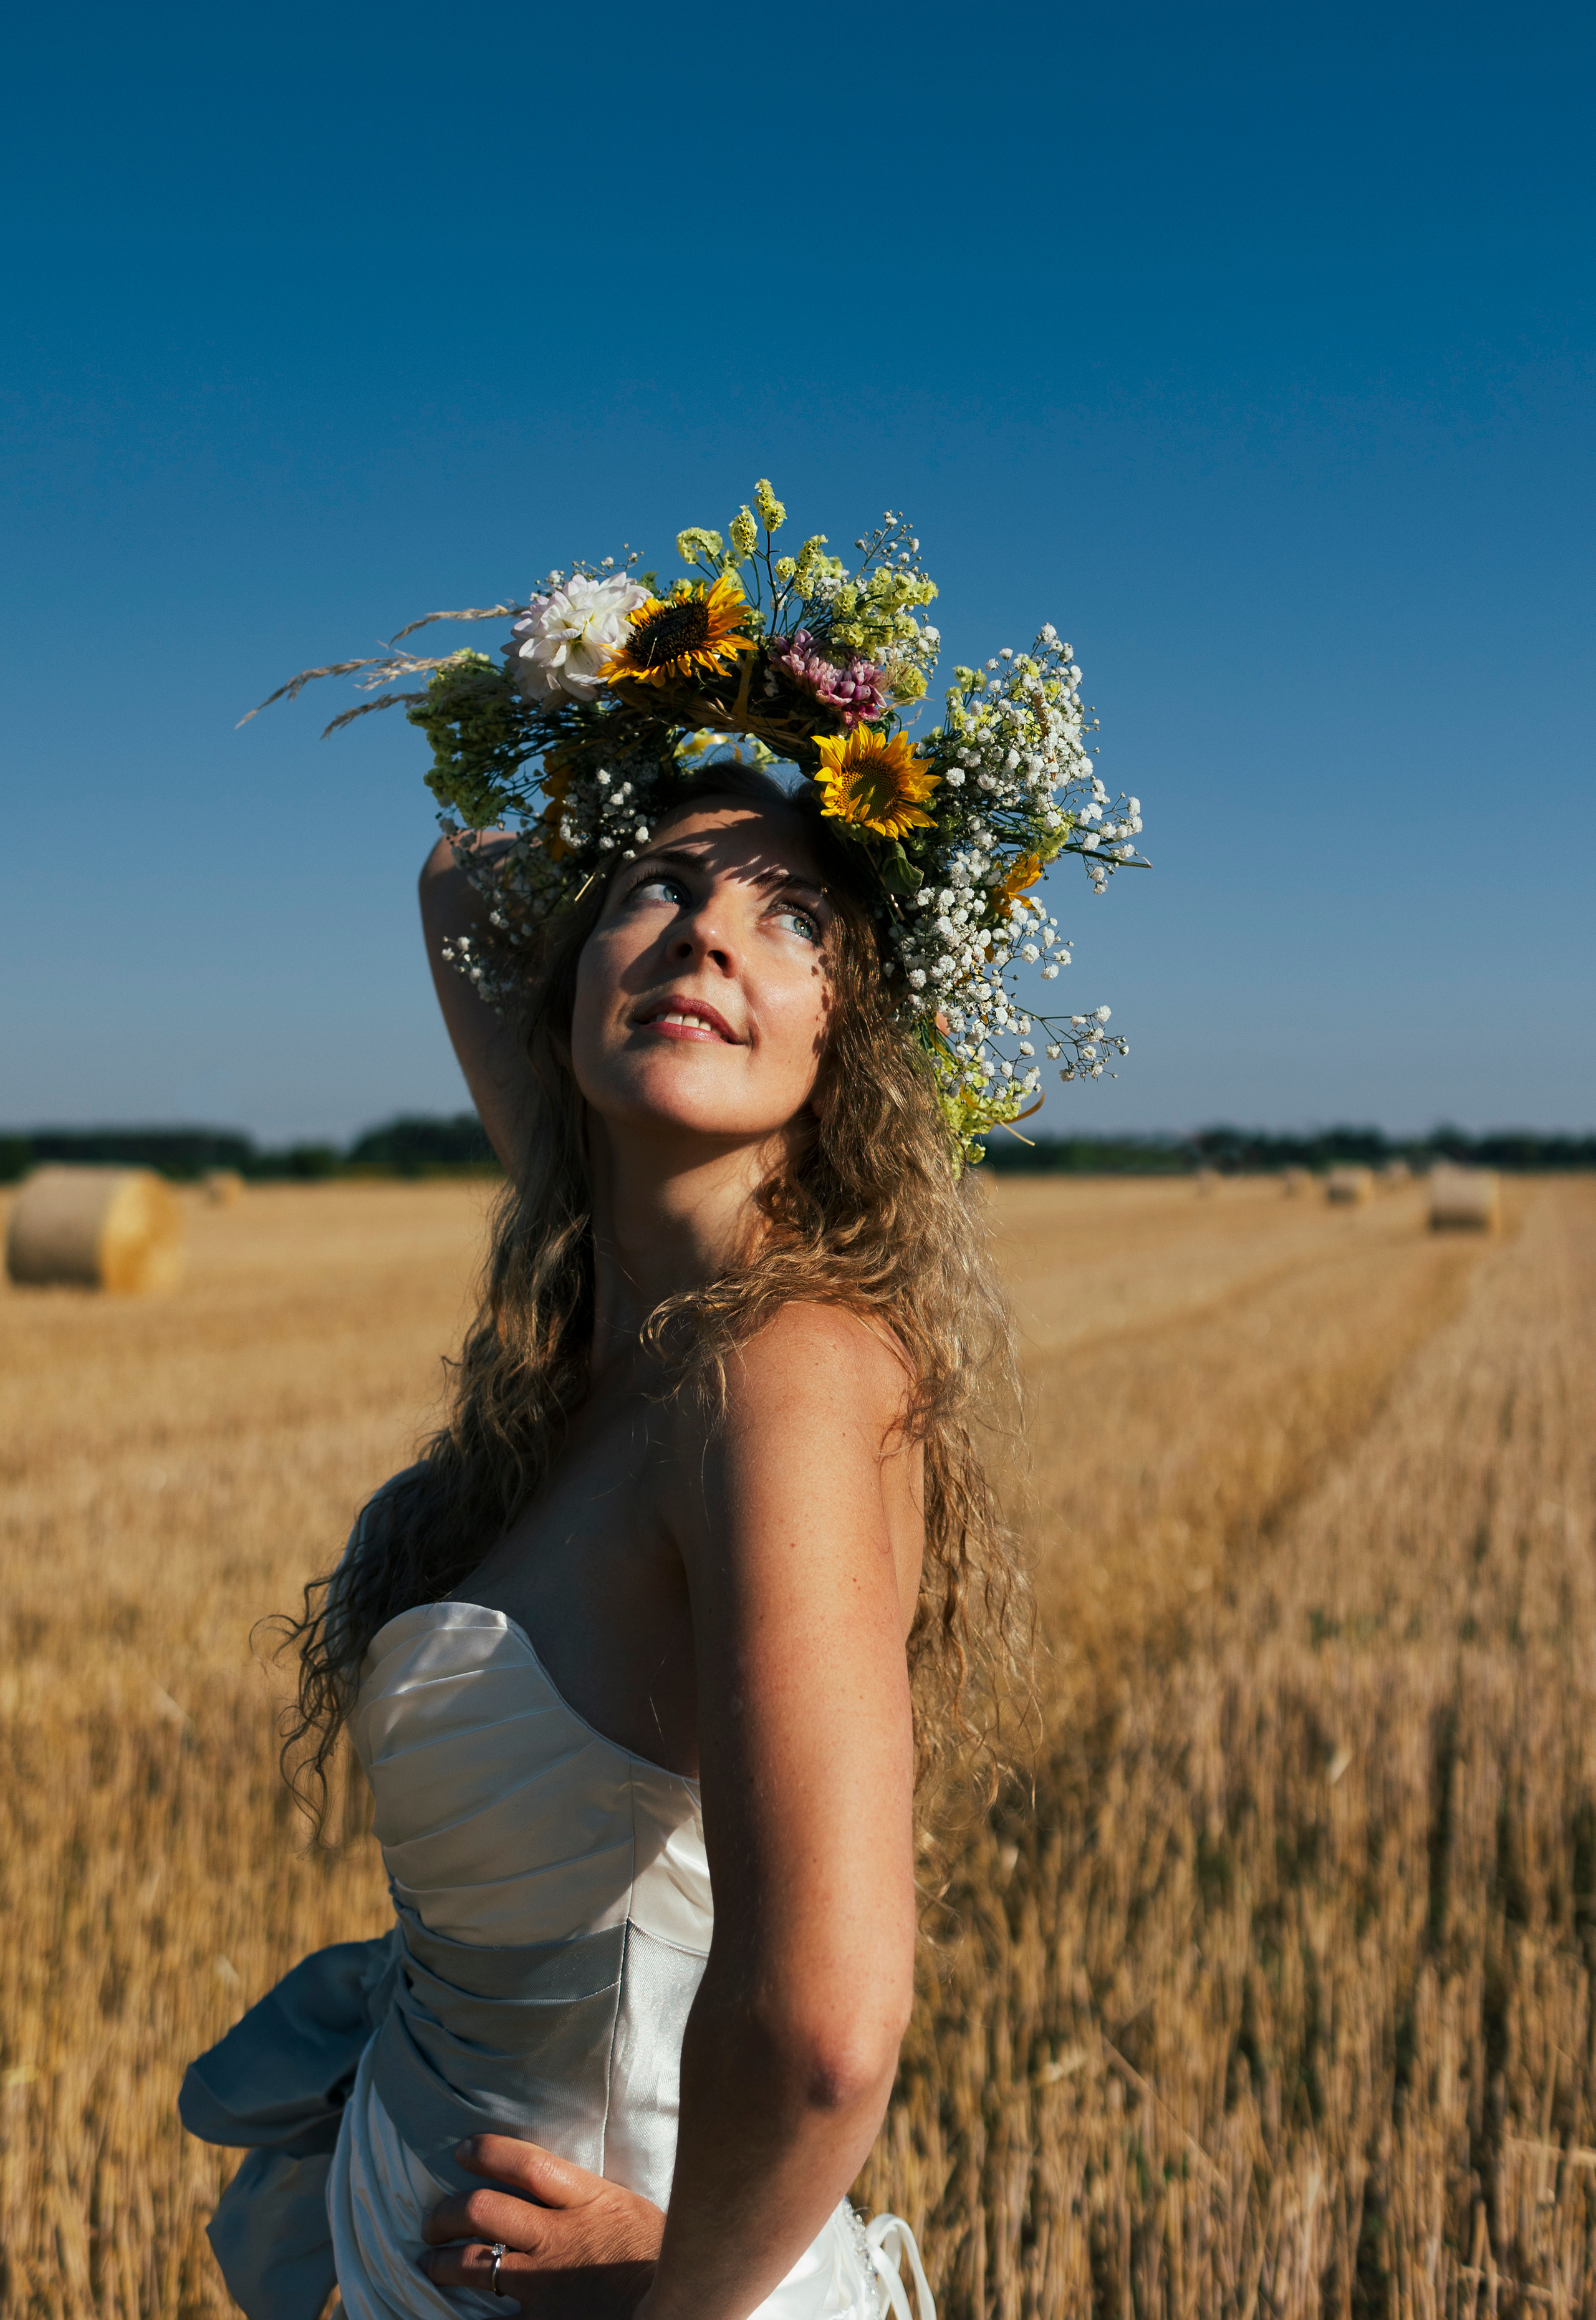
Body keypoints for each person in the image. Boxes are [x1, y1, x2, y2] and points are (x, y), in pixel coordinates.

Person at [182, 762, 1021, 2320]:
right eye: (657, 887)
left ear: (854, 1038)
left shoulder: (785, 1380)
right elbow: (457, 877)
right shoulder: (612, 1327)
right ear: (569, 988)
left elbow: (828, 2034)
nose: (705, 936)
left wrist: (671, 2304)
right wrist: (635, 692)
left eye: (790, 920)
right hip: (423, 2241)